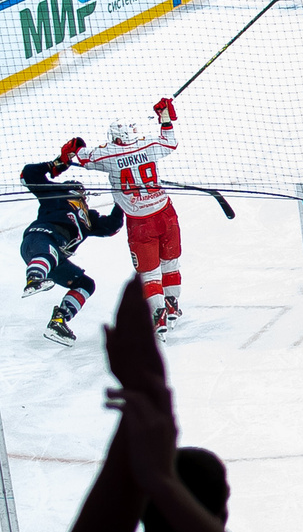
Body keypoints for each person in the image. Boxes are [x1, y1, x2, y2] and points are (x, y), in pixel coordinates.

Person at [70, 98, 184, 333]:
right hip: (166, 213)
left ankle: (158, 313)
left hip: (140, 222)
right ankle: (172, 305)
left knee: (149, 272)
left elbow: (83, 157)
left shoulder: (108, 155)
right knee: (170, 262)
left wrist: (75, 146)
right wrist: (164, 118)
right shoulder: (149, 145)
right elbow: (170, 143)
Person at [19, 152, 124, 347]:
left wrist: (121, 200)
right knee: (48, 252)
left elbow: (112, 226)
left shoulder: (88, 219)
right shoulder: (56, 195)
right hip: (39, 238)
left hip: (56, 256)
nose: (83, 197)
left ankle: (59, 321)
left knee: (85, 284)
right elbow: (28, 174)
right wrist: (54, 164)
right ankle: (34, 279)